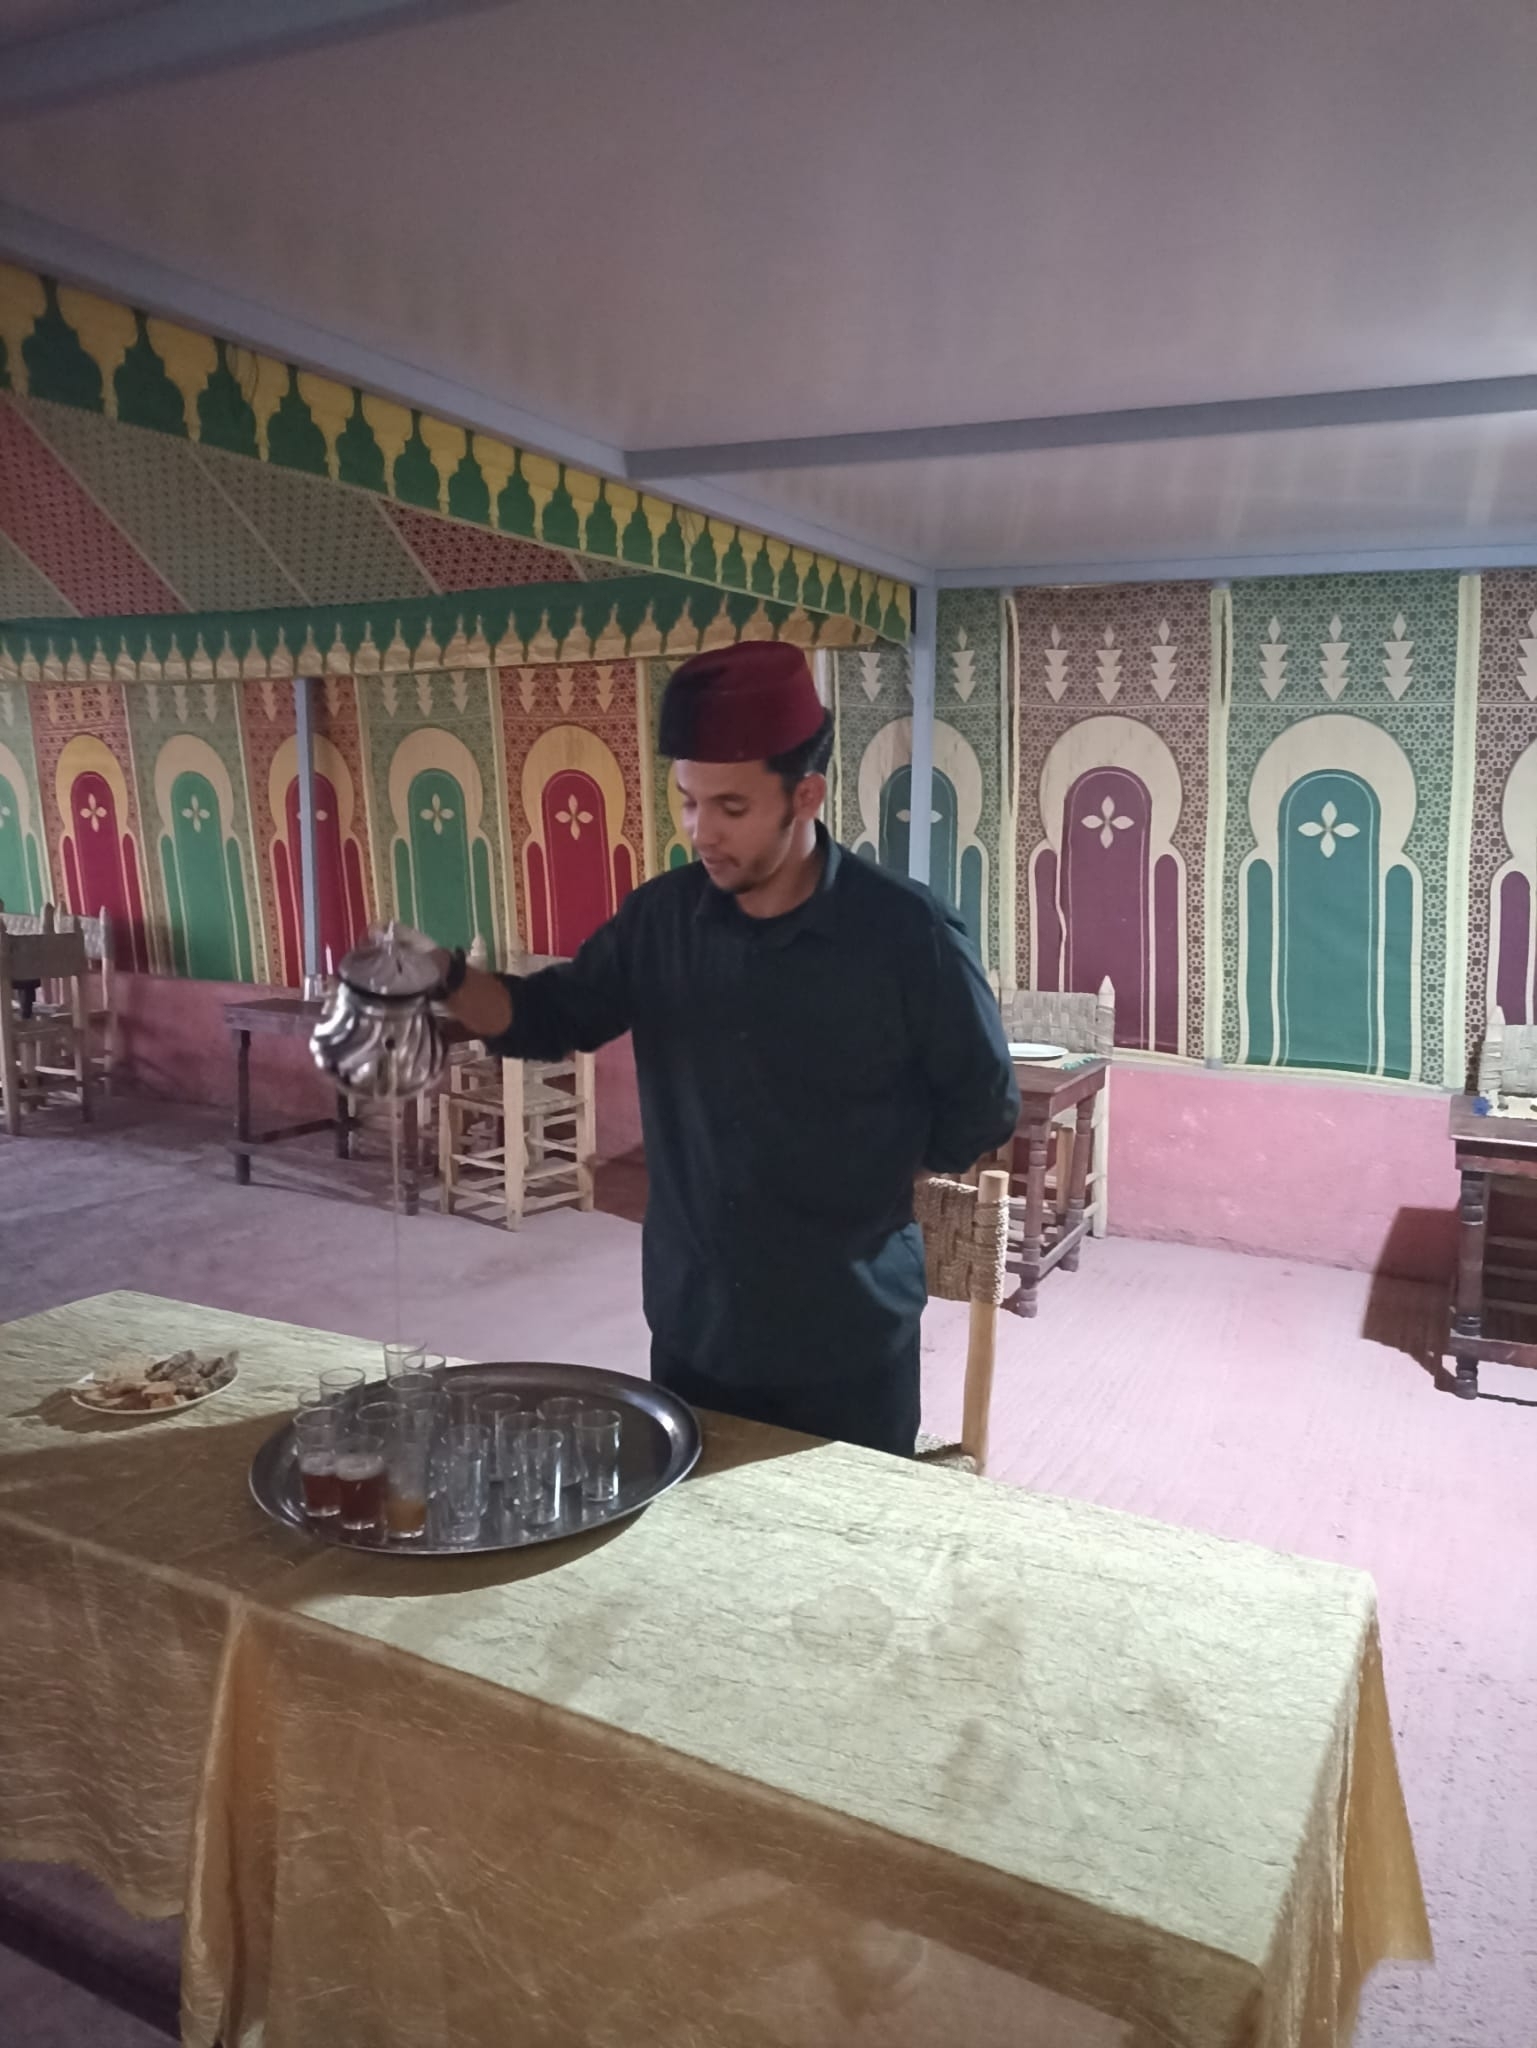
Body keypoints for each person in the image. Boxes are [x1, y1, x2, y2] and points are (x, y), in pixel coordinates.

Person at [429, 642, 1019, 1455]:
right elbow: (549, 1015)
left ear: (803, 796)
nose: (701, 832)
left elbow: (982, 1103)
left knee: (838, 1561)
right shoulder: (660, 921)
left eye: (731, 808)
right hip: (694, 1326)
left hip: (844, 1338)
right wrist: (442, 977)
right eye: (687, 802)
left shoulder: (902, 935)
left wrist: (871, 1179)